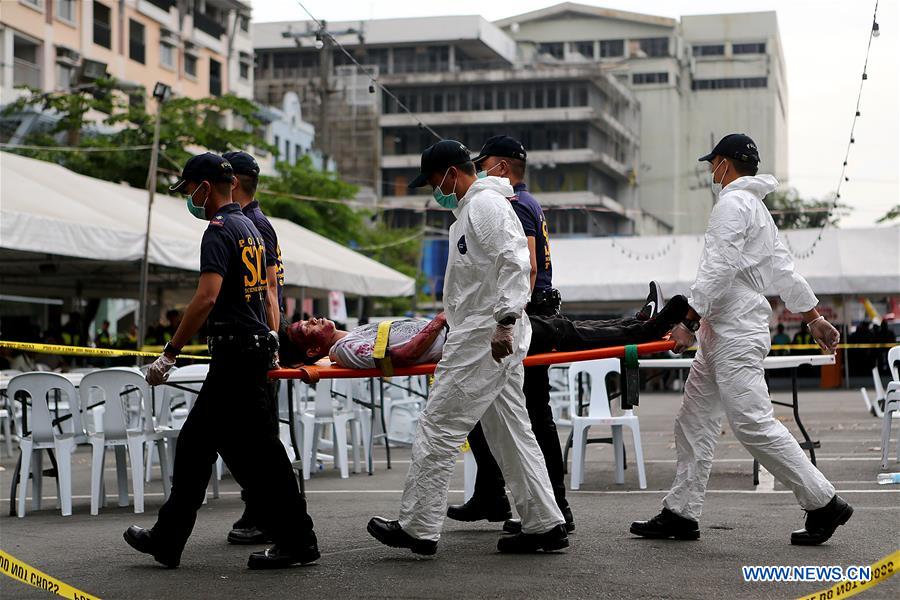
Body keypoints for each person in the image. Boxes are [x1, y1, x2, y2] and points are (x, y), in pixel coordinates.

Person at [630, 133, 850, 546]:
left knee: (752, 423)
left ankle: (823, 501)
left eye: (712, 164)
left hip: (732, 330)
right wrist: (813, 316)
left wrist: (688, 322)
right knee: (693, 421)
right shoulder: (758, 210)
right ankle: (681, 511)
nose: (711, 172)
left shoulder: (731, 204)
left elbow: (719, 266)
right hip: (726, 330)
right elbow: (784, 270)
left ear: (724, 165)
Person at [366, 139, 566, 555]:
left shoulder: (484, 207)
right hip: (486, 332)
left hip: (484, 335)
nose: (434, 191)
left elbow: (516, 261)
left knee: (438, 425)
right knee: (511, 432)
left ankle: (418, 526)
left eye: (435, 182)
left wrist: (505, 322)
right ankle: (544, 522)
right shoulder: (473, 211)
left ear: (452, 174)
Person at [123, 152, 318, 570]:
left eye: (189, 190)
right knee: (207, 448)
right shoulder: (249, 225)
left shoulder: (217, 230)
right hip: (249, 350)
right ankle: (169, 539)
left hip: (235, 354)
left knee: (255, 455)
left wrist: (170, 353)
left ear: (204, 188)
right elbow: (266, 293)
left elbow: (206, 297)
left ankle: (298, 540)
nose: (188, 198)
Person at [449, 135, 574, 534]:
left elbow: (528, 266)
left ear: (501, 167)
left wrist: (507, 319)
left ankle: (553, 503)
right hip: (533, 309)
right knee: (503, 412)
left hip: (527, 313)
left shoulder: (510, 205)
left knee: (531, 413)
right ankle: (494, 493)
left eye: (483, 164)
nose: (479, 172)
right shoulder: (523, 202)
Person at [279, 294, 688, 370]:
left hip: (464, 329)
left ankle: (636, 325)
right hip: (464, 340)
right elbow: (399, 357)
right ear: (312, 346)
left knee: (558, 326)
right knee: (560, 331)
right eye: (307, 326)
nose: (314, 319)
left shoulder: (352, 333)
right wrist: (440, 319)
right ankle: (646, 331)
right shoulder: (346, 350)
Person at [222, 150, 285, 546]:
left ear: (233, 183)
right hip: (252, 343)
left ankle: (269, 509)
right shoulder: (247, 223)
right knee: (237, 432)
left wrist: (272, 345)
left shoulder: (254, 226)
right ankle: (262, 505)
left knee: (254, 435)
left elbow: (271, 292)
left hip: (256, 343)